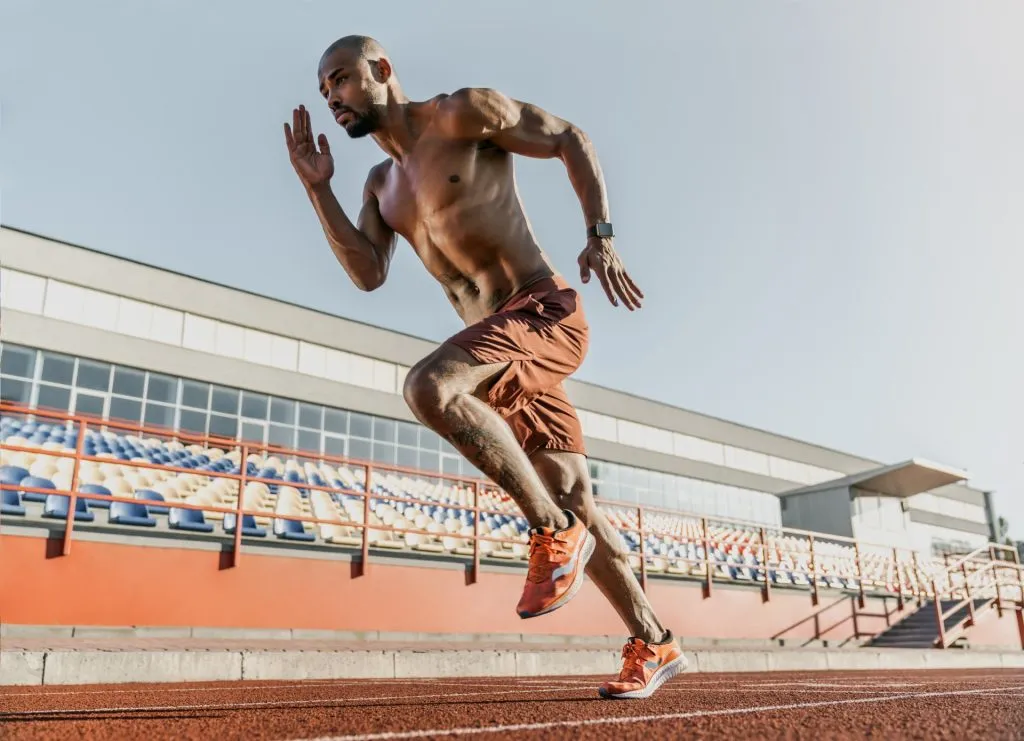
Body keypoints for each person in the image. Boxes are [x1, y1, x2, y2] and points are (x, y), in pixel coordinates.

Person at [284, 34, 685, 699]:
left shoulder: (462, 114)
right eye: (324, 90)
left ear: (382, 70)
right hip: (496, 349)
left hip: (542, 312)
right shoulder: (380, 184)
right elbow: (367, 273)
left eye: (342, 80)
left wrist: (601, 235)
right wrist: (317, 191)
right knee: (575, 494)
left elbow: (568, 137)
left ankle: (553, 535)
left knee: (429, 385)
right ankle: (655, 637)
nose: (332, 98)